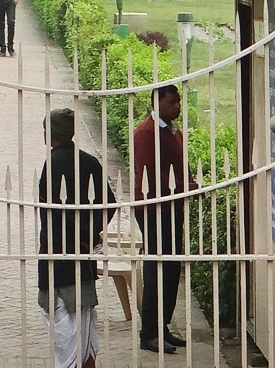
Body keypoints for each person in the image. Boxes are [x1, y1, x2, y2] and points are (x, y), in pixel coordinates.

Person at [38, 108, 116, 368]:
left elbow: (50, 213)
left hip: (56, 256)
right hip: (81, 258)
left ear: (52, 133)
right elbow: (109, 202)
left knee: (65, 330)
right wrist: (89, 235)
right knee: (84, 325)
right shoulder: (89, 161)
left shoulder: (53, 163)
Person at [132, 83, 197, 353]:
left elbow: (179, 164)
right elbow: (150, 175)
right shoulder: (146, 132)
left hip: (173, 205)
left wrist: (190, 184)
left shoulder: (171, 129)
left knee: (171, 268)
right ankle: (149, 331)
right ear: (157, 103)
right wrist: (182, 188)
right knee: (157, 267)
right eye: (171, 102)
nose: (177, 106)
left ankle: (163, 326)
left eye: (178, 102)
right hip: (155, 207)